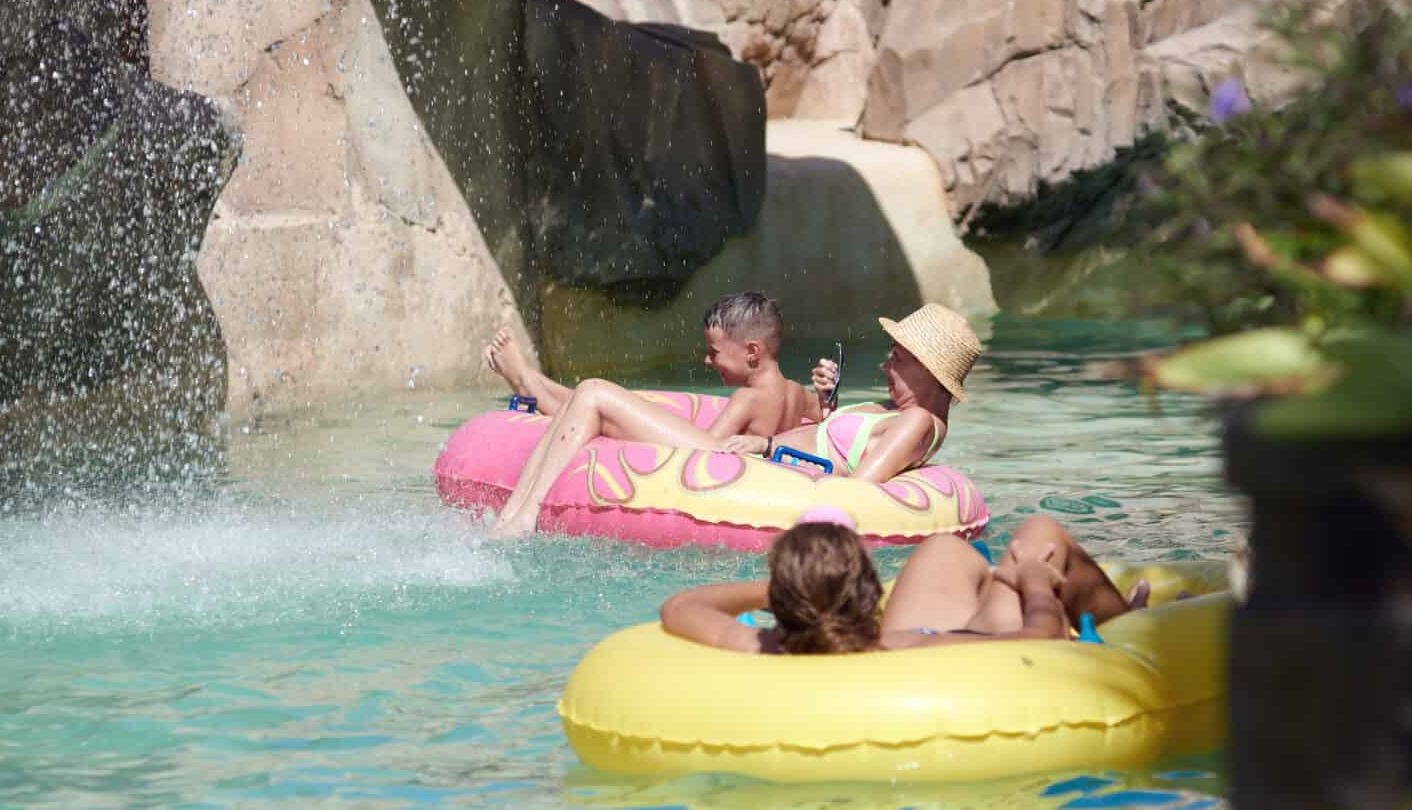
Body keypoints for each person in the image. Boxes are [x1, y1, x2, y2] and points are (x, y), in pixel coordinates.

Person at [487, 291, 820, 538]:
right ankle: (533, 383)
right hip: (756, 464)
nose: (707, 361)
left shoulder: (747, 398)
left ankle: (522, 514)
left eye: (714, 352)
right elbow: (825, 419)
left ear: (751, 351)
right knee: (606, 404)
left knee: (593, 392)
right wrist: (826, 391)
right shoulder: (797, 393)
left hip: (720, 463)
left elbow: (710, 452)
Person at [659, 514, 1150, 654]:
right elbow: (1039, 637)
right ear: (870, 596)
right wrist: (1037, 581)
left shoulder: (762, 647)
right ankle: (1133, 622)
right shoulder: (910, 650)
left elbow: (682, 605)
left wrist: (794, 588)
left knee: (942, 548)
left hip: (831, 622)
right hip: (978, 640)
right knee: (1038, 534)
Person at [721, 303, 981, 483]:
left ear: (928, 370)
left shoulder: (917, 422)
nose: (885, 365)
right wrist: (826, 404)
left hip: (768, 473)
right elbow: (842, 451)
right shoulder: (898, 410)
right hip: (761, 458)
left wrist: (766, 447)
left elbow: (855, 488)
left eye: (897, 357)